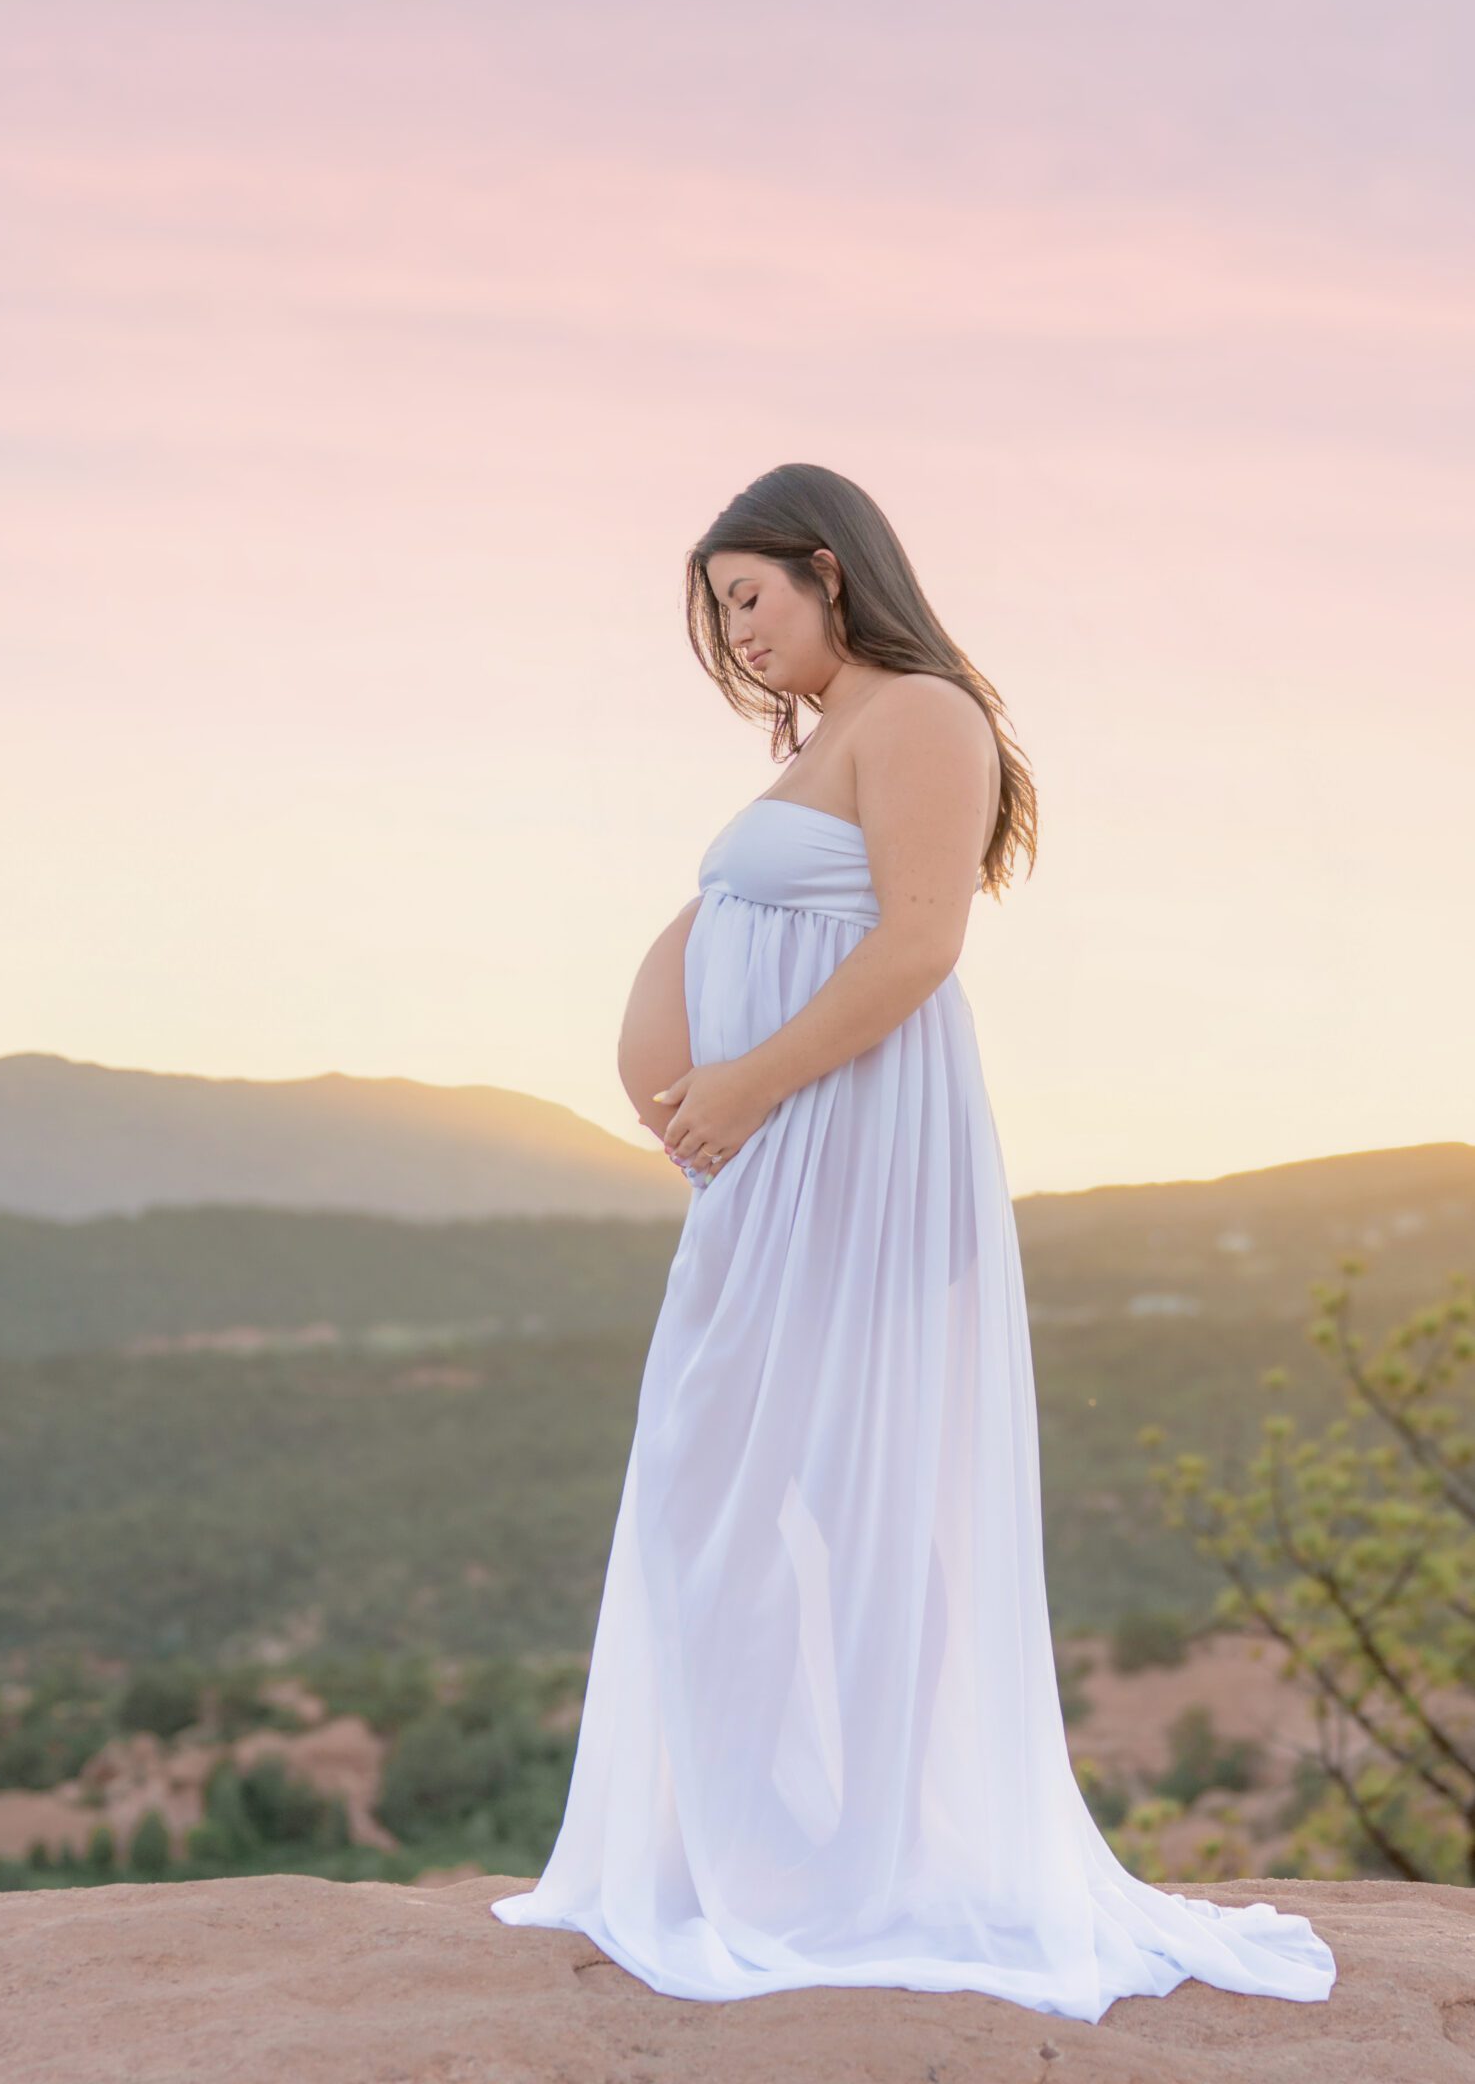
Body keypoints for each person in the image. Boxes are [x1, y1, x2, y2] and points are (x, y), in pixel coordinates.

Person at [491, 462, 1337, 2024]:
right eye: (717, 617)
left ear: (828, 566)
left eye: (749, 598)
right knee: (738, 1487)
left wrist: (740, 1081)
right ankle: (776, 1850)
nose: (736, 636)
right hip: (779, 1162)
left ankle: (854, 1858)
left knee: (823, 1492)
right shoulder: (826, 746)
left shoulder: (922, 716)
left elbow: (921, 943)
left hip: (850, 1154)